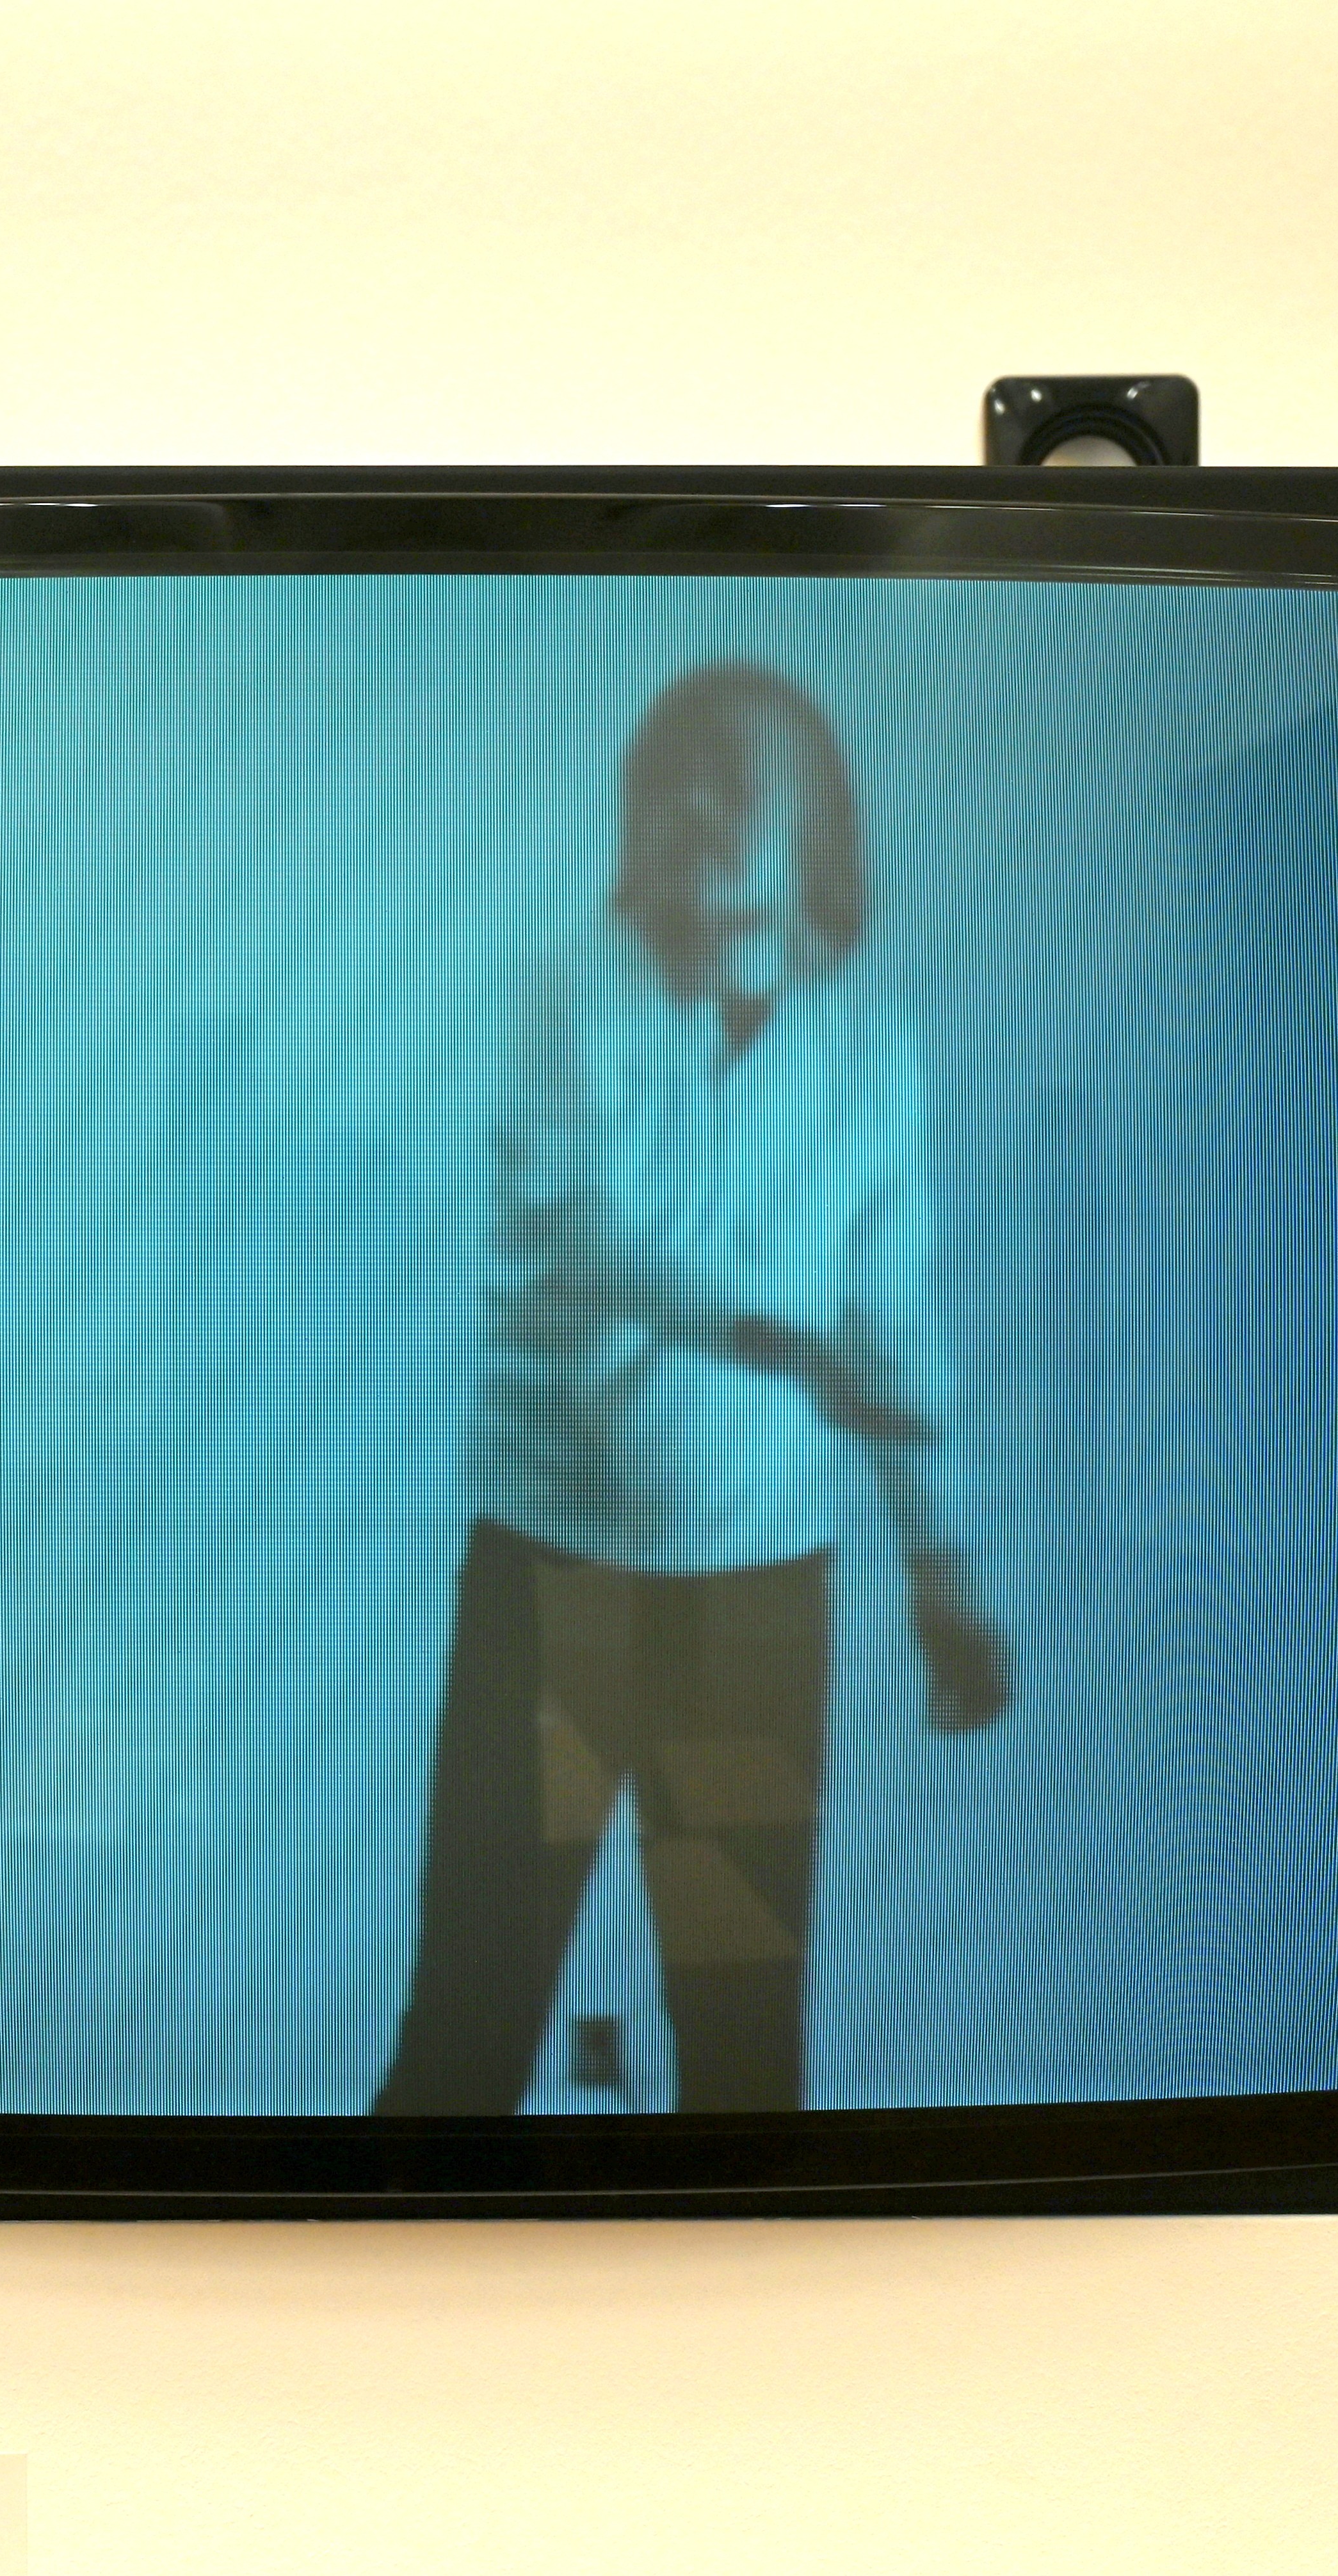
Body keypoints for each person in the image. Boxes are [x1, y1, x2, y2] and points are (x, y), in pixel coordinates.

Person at [373, 661, 1008, 2117]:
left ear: (815, 821)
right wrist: (783, 1338)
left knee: (741, 2056)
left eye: (732, 777)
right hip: (551, 1590)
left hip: (753, 1614)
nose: (696, 808)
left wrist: (943, 1564)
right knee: (466, 2036)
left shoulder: (873, 1050)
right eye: (670, 782)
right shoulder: (569, 988)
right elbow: (585, 1229)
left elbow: (893, 1327)